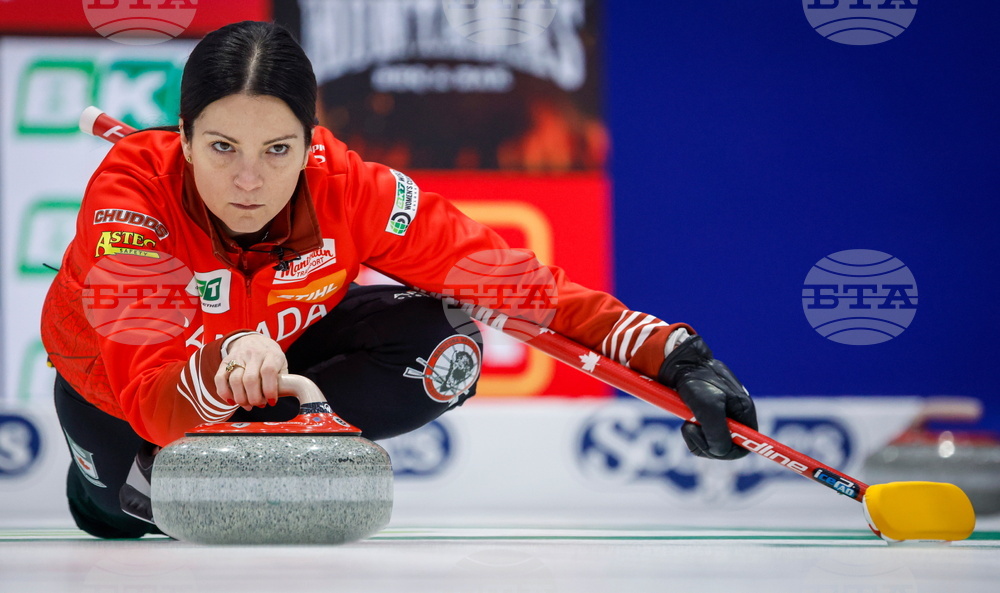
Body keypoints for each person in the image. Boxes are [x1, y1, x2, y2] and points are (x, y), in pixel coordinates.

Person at [40, 21, 757, 539]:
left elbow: (509, 282)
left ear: (311, 141)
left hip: (274, 367)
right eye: (222, 147)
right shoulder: (130, 202)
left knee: (448, 344)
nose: (249, 180)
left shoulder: (352, 190)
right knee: (119, 517)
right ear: (185, 136)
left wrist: (670, 353)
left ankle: (278, 460)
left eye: (278, 148)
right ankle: (106, 490)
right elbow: (153, 402)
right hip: (129, 406)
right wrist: (222, 366)